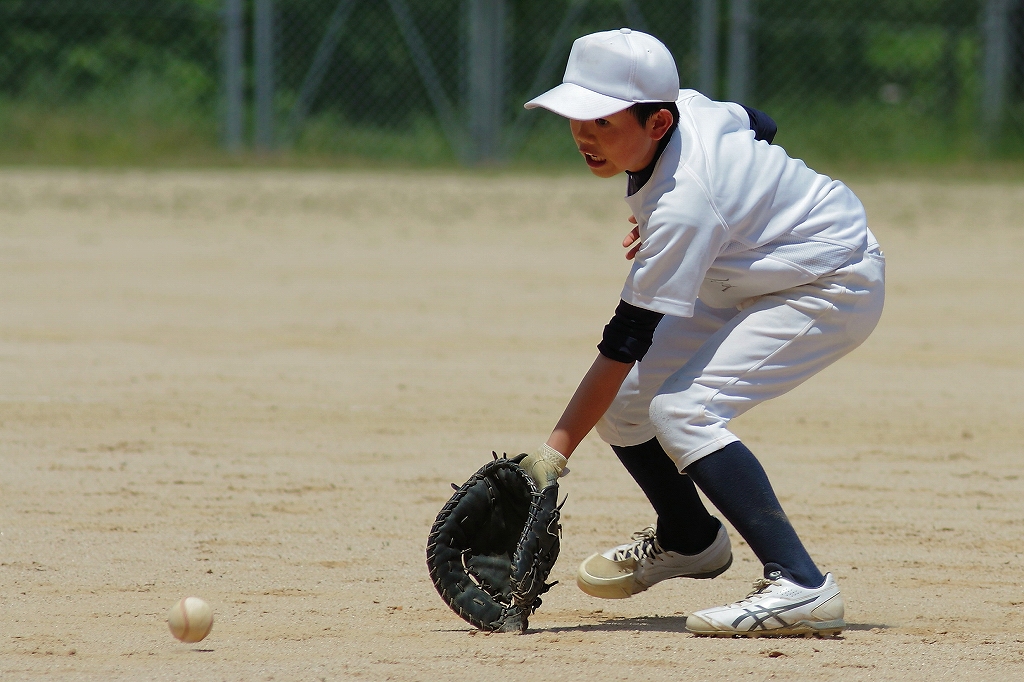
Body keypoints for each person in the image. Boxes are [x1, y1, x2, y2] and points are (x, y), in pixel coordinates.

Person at [517, 28, 885, 637]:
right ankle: (689, 539)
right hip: (745, 273)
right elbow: (758, 122)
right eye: (576, 118)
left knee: (684, 409)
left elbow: (625, 339)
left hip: (827, 281)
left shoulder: (688, 201)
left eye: (603, 122)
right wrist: (716, 220)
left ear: (658, 123)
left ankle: (801, 585)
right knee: (628, 406)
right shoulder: (689, 106)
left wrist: (554, 452)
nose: (584, 136)